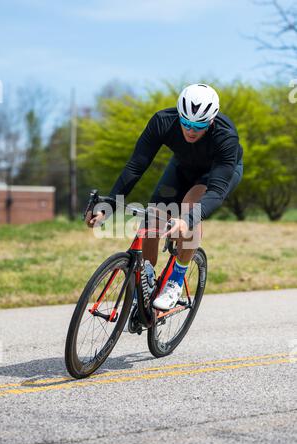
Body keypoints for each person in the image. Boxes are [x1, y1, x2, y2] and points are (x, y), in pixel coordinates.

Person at [88, 84, 243, 310]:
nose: (191, 130)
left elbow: (216, 192)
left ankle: (175, 279)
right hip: (183, 167)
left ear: (211, 121)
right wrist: (109, 204)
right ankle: (147, 281)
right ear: (179, 115)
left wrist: (186, 220)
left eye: (199, 125)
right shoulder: (163, 121)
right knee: (154, 215)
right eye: (186, 123)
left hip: (215, 174)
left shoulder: (225, 136)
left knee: (190, 206)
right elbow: (136, 166)